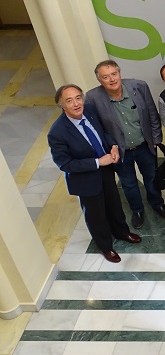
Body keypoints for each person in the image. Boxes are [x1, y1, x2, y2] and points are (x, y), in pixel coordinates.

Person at [48, 84, 140, 263]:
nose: (76, 103)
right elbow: (65, 163)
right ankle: (106, 246)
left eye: (78, 97)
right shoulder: (57, 132)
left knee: (114, 203)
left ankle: (122, 232)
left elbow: (102, 133)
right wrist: (98, 162)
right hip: (86, 179)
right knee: (96, 214)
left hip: (106, 171)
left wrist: (112, 145)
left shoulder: (89, 110)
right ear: (62, 106)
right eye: (69, 100)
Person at [85, 60, 165, 230]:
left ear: (119, 73)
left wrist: (156, 138)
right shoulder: (93, 98)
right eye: (105, 77)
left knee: (151, 177)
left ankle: (157, 203)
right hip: (120, 151)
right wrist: (109, 147)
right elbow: (98, 128)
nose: (111, 79)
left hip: (144, 146)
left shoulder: (138, 87)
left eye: (114, 74)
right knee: (129, 183)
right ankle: (137, 210)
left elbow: (152, 114)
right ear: (99, 81)